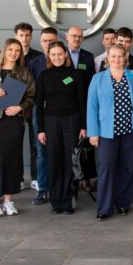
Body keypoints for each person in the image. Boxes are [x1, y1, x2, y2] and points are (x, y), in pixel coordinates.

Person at [87, 44, 133, 220]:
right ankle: (104, 208)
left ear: (125, 58)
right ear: (107, 58)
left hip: (131, 131)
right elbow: (92, 107)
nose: (117, 59)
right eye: (113, 56)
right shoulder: (98, 78)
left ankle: (123, 203)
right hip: (106, 133)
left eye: (120, 56)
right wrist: (93, 132)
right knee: (106, 168)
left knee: (127, 168)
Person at [0, 38, 36, 217]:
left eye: (17, 51)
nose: (13, 53)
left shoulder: (24, 73)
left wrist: (20, 107)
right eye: (10, 50)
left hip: (14, 121)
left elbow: (31, 96)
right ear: (4, 51)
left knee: (12, 160)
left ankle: (8, 200)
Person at [36, 41, 86, 214]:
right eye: (53, 54)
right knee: (54, 160)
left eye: (59, 54)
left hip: (72, 121)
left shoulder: (75, 74)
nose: (57, 57)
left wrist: (83, 126)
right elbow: (38, 104)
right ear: (49, 56)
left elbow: (82, 102)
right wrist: (40, 129)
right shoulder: (44, 76)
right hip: (51, 122)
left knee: (69, 161)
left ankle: (67, 201)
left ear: (65, 54)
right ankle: (56, 202)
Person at [27, 27, 61, 205]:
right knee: (41, 151)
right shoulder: (34, 63)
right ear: (40, 42)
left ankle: (60, 187)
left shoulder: (63, 61)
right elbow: (29, 88)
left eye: (52, 41)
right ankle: (43, 188)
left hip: (61, 112)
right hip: (39, 110)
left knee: (60, 150)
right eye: (45, 41)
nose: (48, 44)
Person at [15, 22, 43, 191]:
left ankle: (35, 177)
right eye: (21, 35)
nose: (24, 38)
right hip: (15, 107)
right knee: (15, 144)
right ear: (16, 36)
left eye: (27, 35)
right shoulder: (11, 54)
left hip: (32, 105)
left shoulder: (38, 57)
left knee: (35, 144)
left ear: (31, 36)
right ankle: (17, 178)